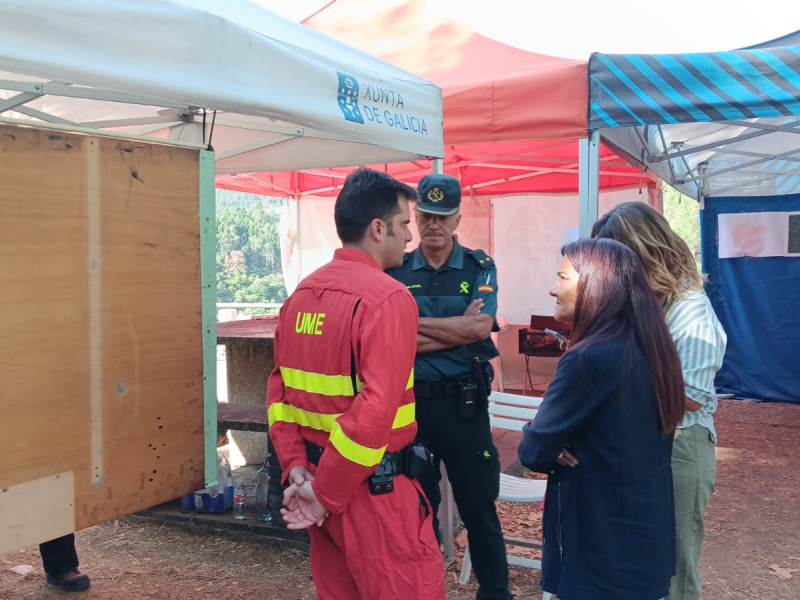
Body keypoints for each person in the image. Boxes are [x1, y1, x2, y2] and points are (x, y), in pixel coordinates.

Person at [267, 167, 446, 600]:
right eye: (405, 225)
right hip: (373, 496)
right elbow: (375, 410)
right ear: (378, 228)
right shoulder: (388, 299)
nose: (409, 237)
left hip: (315, 480)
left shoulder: (300, 297)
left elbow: (279, 395)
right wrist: (325, 493)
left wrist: (297, 467)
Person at [518, 238, 685, 600]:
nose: (552, 289)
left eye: (562, 277)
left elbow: (533, 450)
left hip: (599, 543)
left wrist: (544, 437)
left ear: (595, 284)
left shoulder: (587, 358)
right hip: (646, 535)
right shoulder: (654, 346)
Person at [592, 201, 727, 600]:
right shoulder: (639, 305)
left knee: (673, 570)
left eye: (614, 260)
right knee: (633, 563)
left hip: (679, 447)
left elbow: (689, 397)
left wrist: (605, 379)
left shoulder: (690, 310)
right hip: (635, 445)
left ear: (641, 254)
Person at [386, 174, 511, 600]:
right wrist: (458, 329)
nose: (433, 225)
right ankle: (422, 590)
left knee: (479, 510)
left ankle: (496, 593)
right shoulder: (396, 267)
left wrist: (412, 327)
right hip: (411, 409)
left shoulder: (479, 266)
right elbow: (387, 335)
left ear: (457, 218)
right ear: (416, 216)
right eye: (425, 216)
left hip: (465, 407)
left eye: (443, 216)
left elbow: (481, 326)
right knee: (414, 509)